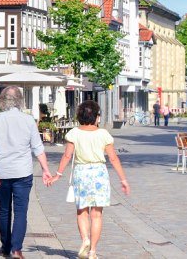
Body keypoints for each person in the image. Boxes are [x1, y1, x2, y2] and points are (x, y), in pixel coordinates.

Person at [54, 100, 131, 259]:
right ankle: (93, 251)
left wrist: (58, 174)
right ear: (96, 117)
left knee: (82, 211)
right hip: (99, 174)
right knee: (97, 214)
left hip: (81, 173)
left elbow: (67, 155)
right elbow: (114, 158)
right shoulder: (103, 134)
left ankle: (85, 239)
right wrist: (123, 179)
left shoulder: (74, 133)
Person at [0, 85, 53, 259]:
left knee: (4, 210)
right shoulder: (28, 120)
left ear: (2, 101)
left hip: (2, 172)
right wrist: (45, 170)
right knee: (21, 211)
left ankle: (5, 247)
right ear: (20, 101)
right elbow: (38, 148)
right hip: (23, 172)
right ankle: (16, 249)